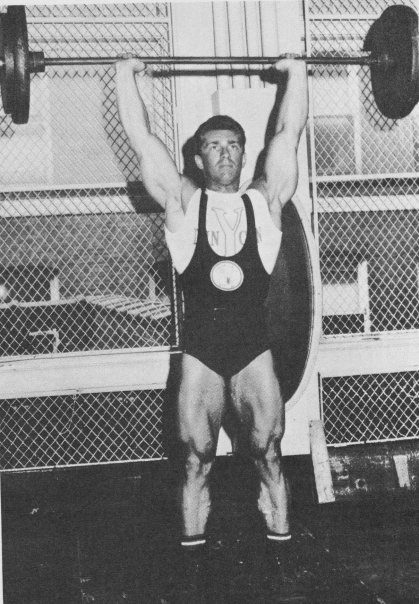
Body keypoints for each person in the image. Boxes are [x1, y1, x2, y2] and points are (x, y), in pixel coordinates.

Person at [115, 56, 308, 600]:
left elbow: (289, 130)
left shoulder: (265, 203)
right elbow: (139, 135)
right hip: (200, 353)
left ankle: (284, 565)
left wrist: (295, 74)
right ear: (198, 157)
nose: (225, 153)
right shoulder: (181, 204)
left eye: (234, 145)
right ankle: (194, 576)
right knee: (195, 458)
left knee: (269, 451)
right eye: (214, 146)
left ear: (244, 154)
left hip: (252, 351)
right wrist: (125, 74)